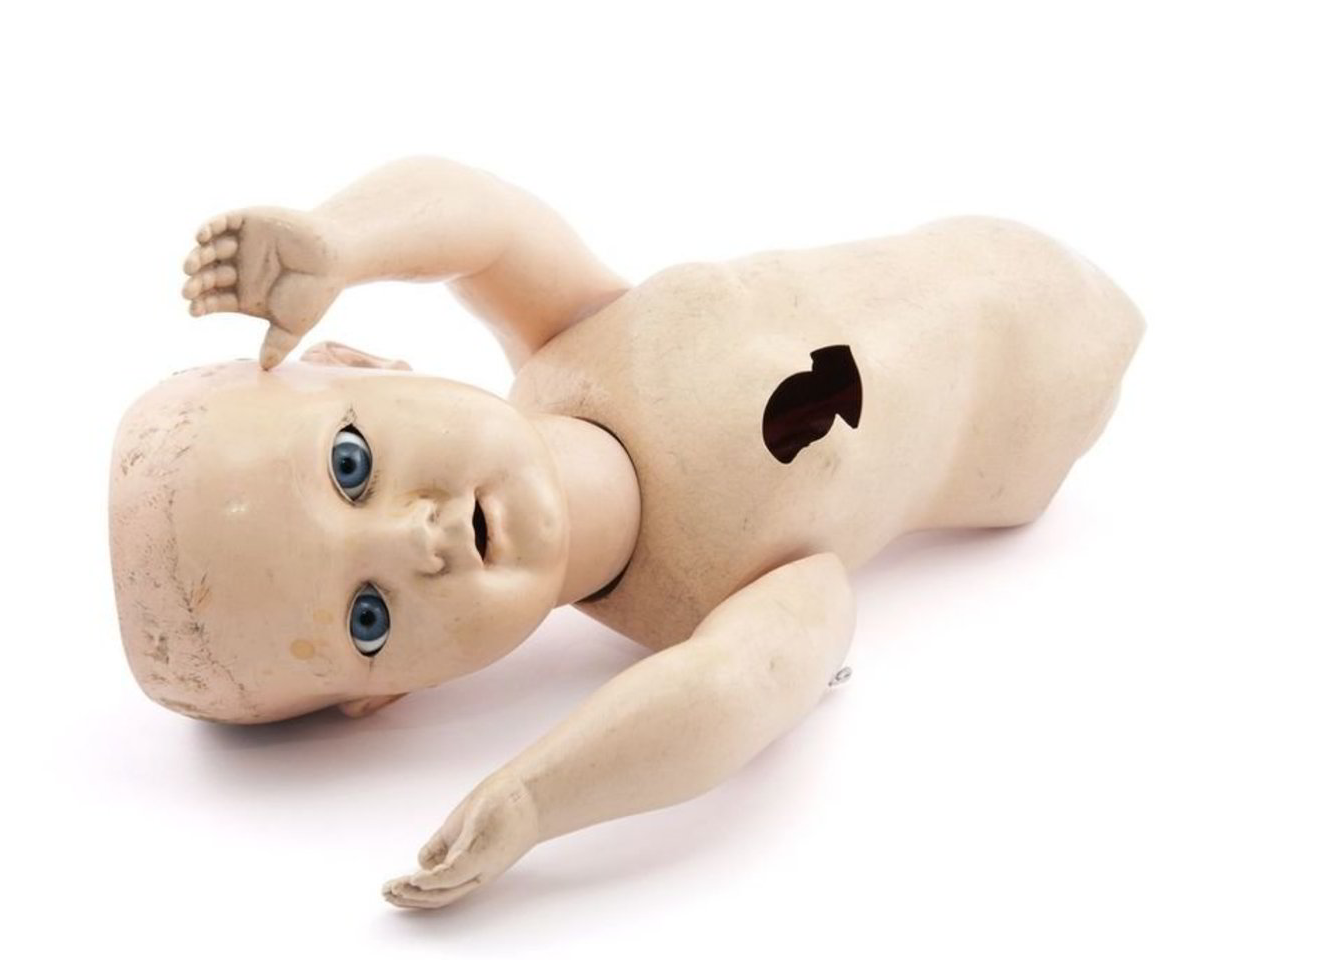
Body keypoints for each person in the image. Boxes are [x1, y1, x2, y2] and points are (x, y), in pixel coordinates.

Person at [109, 156, 1143, 908]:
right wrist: (535, 799)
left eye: (351, 466)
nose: (415, 541)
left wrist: (343, 238)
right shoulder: (724, 596)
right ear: (397, 693)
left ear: (365, 364)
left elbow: (484, 221)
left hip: (990, 240)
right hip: (1037, 419)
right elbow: (739, 689)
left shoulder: (575, 332)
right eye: (368, 617)